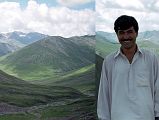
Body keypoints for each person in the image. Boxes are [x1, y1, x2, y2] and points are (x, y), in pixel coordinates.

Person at [97, 15, 159, 120]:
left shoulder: (150, 59)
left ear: (136, 33)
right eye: (121, 32)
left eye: (129, 32)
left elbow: (158, 88)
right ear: (117, 35)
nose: (126, 37)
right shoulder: (109, 61)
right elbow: (104, 94)